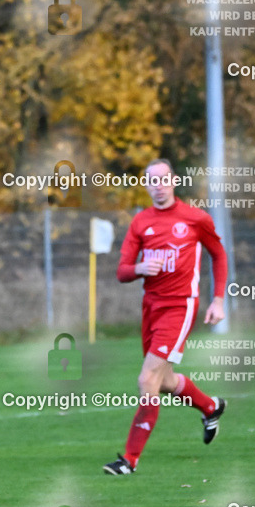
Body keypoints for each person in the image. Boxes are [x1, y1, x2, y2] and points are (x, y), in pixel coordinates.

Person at [104, 159, 228, 475]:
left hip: (181, 306)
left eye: (163, 179)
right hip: (151, 307)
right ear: (146, 185)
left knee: (147, 379)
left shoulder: (195, 219)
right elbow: (121, 272)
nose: (158, 185)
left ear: (173, 181)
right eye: (151, 180)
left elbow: (218, 254)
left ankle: (129, 460)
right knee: (164, 381)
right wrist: (139, 269)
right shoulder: (140, 222)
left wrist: (217, 300)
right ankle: (211, 407)